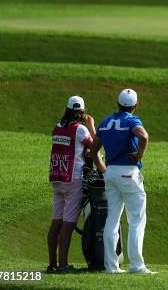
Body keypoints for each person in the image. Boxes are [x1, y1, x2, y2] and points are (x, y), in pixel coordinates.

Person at [89, 89, 155, 274]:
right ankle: (137, 266)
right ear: (135, 106)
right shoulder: (132, 120)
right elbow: (143, 136)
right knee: (136, 219)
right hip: (128, 172)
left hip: (111, 173)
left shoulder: (106, 121)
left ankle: (111, 267)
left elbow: (94, 150)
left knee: (112, 219)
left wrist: (103, 170)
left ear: (118, 103)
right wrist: (139, 155)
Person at [47, 96, 97, 273]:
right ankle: (63, 265)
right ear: (82, 112)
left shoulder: (57, 127)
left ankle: (52, 264)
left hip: (57, 177)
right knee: (68, 225)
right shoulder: (81, 130)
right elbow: (95, 147)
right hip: (73, 178)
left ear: (67, 109)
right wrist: (91, 125)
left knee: (56, 224)